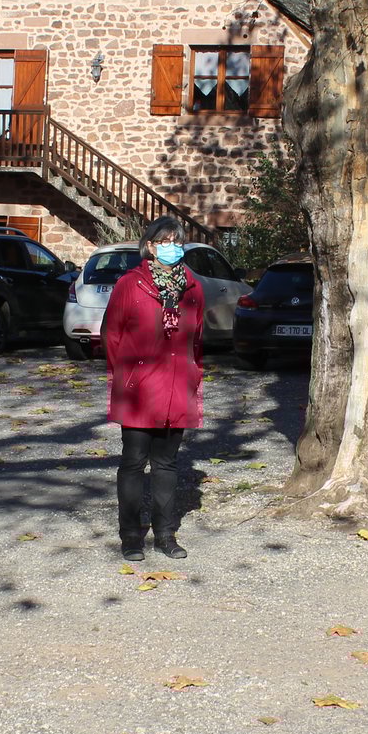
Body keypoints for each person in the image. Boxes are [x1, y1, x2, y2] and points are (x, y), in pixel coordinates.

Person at [102, 216, 205, 561]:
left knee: (166, 464)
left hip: (177, 386)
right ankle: (131, 536)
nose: (171, 247)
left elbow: (197, 337)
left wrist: (192, 374)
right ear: (149, 246)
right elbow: (111, 334)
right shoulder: (130, 284)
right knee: (133, 462)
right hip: (139, 389)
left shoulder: (192, 287)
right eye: (164, 241)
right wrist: (126, 377)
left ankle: (165, 534)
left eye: (176, 241)